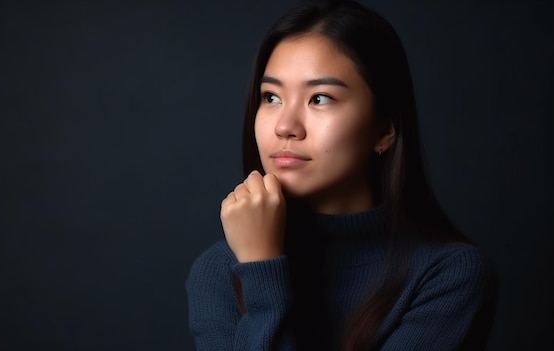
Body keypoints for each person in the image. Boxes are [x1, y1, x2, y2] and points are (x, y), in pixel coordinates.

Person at [185, 0, 496, 350]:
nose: (285, 127)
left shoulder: (448, 275)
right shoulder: (220, 272)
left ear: (384, 130)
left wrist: (262, 269)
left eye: (319, 98)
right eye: (271, 97)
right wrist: (259, 267)